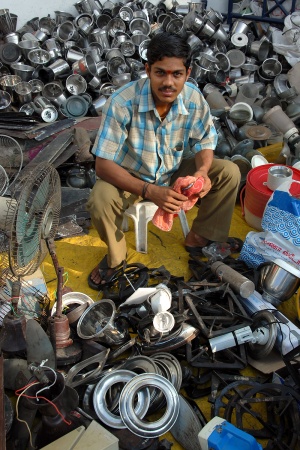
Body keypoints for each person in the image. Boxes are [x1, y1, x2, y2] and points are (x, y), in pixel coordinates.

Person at [86, 32, 241, 290]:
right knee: (100, 197)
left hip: (173, 172)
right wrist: (149, 191)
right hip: (131, 180)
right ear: (147, 70)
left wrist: (202, 171)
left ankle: (199, 239)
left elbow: (205, 140)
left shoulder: (193, 97)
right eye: (160, 73)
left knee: (228, 172)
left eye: (176, 74)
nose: (168, 83)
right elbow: (102, 165)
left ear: (187, 73)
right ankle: (116, 259)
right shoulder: (122, 102)